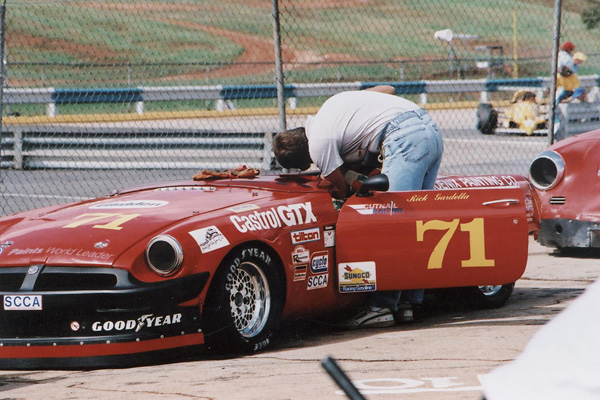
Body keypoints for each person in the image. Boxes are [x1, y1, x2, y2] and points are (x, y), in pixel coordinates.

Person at [272, 85, 444, 328]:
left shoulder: (319, 146)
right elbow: (388, 88)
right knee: (415, 223)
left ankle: (381, 307)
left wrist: (341, 181)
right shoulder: (330, 108)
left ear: (304, 160)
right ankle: (409, 302)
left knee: (391, 223)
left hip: (404, 138)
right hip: (429, 128)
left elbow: (339, 188)